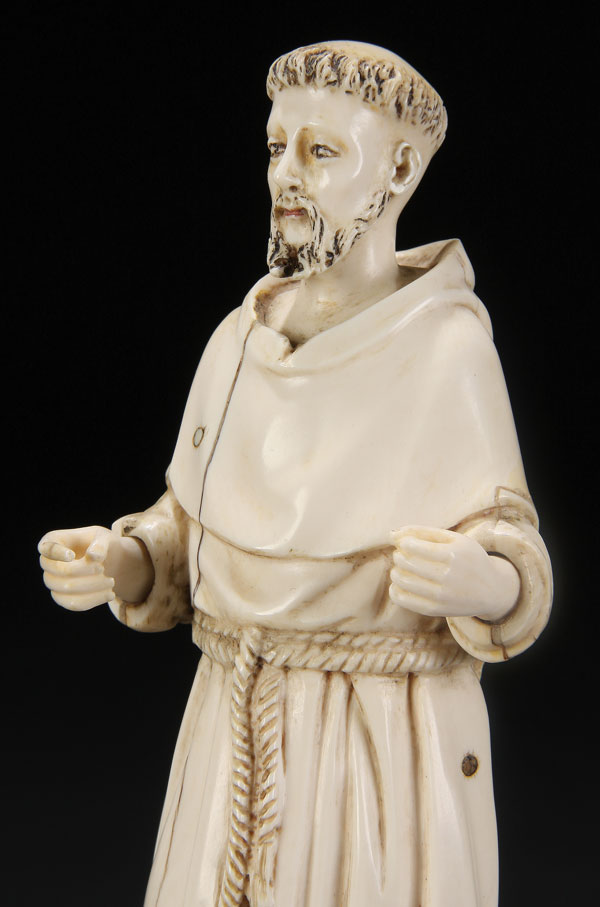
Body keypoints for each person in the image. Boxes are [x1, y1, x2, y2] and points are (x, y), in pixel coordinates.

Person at [38, 41, 552, 907]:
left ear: (398, 171)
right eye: (278, 147)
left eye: (321, 151)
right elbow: (192, 521)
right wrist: (127, 558)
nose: (286, 175)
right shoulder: (239, 342)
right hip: (231, 724)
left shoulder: (447, 353)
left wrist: (483, 582)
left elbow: (515, 553)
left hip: (378, 746)